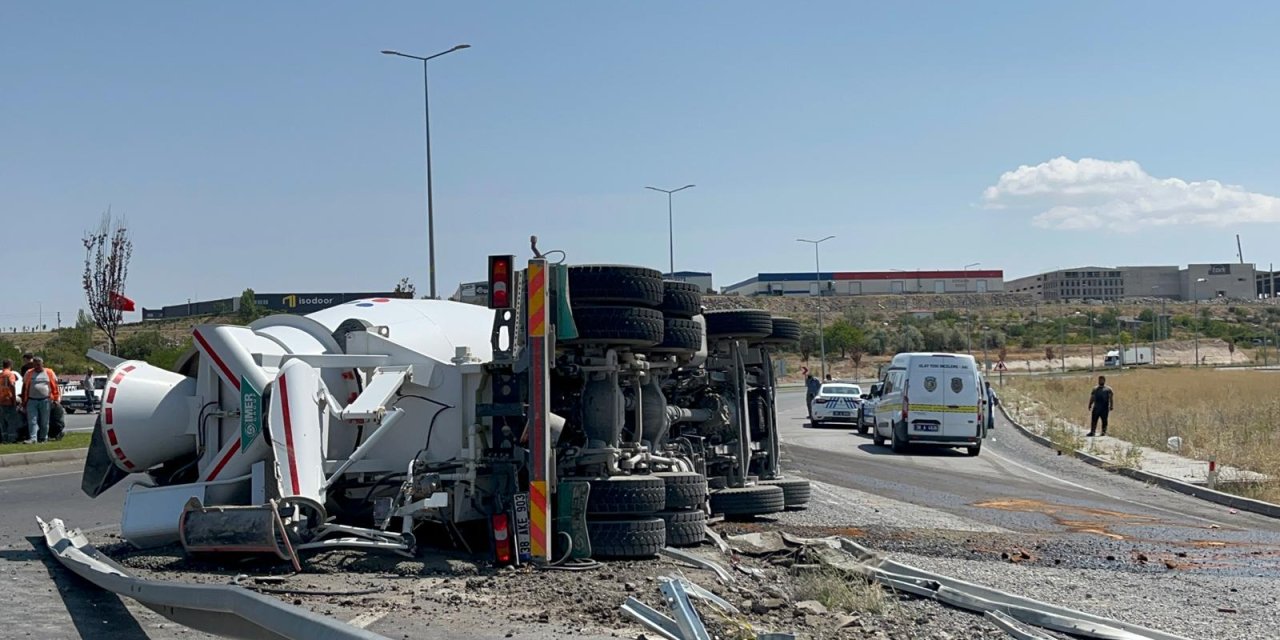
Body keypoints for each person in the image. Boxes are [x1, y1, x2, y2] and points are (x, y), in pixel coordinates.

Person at [21, 357, 60, 444]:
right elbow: (24, 387)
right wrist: (24, 401)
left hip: (45, 400)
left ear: (42, 364)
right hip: (31, 400)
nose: (37, 366)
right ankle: (33, 438)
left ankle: (43, 438)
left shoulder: (49, 372)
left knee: (44, 421)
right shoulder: (29, 373)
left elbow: (55, 387)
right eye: (35, 365)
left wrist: (56, 399)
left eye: (38, 364)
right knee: (32, 420)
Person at [0, 359, 20, 443]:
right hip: (8, 400)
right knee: (11, 421)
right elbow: (12, 385)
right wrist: (14, 400)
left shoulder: (1, 374)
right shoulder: (10, 374)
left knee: (3, 421)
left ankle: (4, 438)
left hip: (1, 400)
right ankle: (11, 438)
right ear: (10, 365)